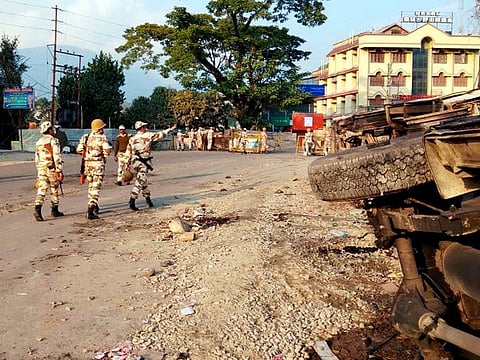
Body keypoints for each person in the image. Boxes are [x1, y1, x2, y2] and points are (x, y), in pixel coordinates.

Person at [125, 121, 176, 211]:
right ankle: (132, 199)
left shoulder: (132, 138)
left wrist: (127, 164)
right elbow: (159, 135)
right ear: (141, 128)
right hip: (144, 161)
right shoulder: (147, 135)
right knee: (140, 180)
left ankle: (148, 199)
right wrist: (169, 129)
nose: (146, 128)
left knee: (143, 179)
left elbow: (128, 152)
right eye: (144, 127)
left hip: (135, 161)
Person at [76, 119, 112, 220]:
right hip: (98, 165)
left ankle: (94, 205)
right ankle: (91, 209)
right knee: (96, 187)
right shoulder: (102, 138)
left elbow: (79, 149)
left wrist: (88, 154)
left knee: (91, 186)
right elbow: (107, 150)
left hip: (88, 165)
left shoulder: (85, 137)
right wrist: (104, 156)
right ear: (99, 129)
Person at [33, 121, 64, 221]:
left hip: (41, 168)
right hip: (52, 168)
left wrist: (39, 169)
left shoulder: (38, 142)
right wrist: (59, 170)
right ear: (49, 130)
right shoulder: (54, 141)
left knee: (42, 189)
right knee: (54, 189)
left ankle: (37, 209)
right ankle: (54, 210)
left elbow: (36, 158)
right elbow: (56, 156)